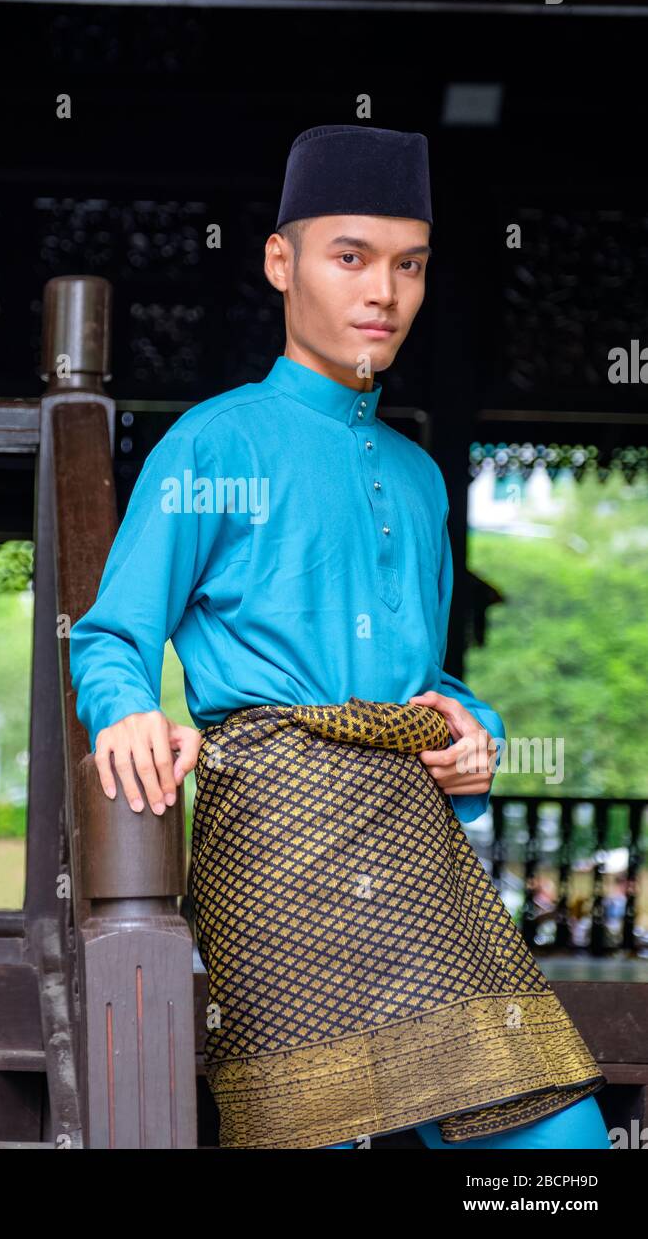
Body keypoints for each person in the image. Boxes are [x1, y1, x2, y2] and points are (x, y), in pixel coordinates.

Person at [69, 124, 609, 1150]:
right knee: (315, 1131)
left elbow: (419, 674)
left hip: (410, 829)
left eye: (408, 264)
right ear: (281, 262)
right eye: (349, 257)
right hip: (274, 827)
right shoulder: (213, 441)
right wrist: (129, 707)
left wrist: (474, 728)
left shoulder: (415, 477)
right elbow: (111, 635)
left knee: (559, 1140)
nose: (383, 293)